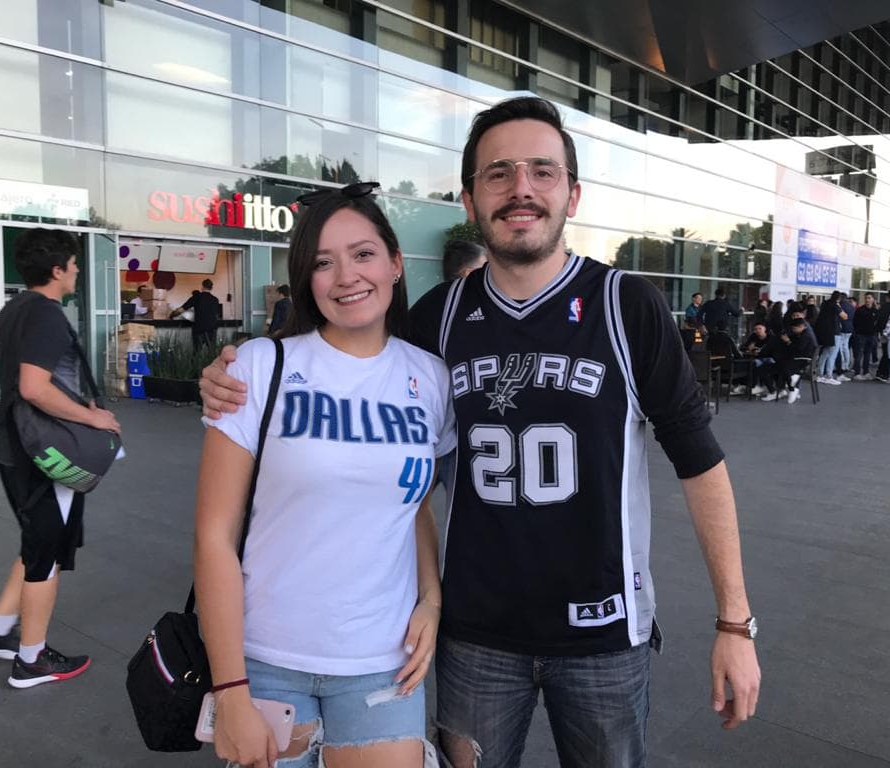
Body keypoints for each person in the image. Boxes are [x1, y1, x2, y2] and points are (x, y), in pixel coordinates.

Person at [202, 96, 760, 768]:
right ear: (469, 198)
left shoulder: (625, 305)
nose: (520, 188)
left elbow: (700, 461)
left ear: (573, 193)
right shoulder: (438, 319)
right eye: (498, 174)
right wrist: (241, 368)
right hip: (475, 637)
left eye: (541, 172)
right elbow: (352, 362)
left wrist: (735, 621)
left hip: (604, 633)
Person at [195, 183, 453, 768]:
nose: (346, 277)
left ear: (394, 263)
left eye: (362, 254)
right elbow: (213, 536)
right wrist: (230, 689)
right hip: (264, 658)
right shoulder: (261, 367)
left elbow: (411, 505)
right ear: (305, 279)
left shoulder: (431, 379)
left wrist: (432, 599)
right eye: (322, 262)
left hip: (382, 658)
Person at [0, 228, 120, 688]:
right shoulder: (47, 316)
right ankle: (31, 660)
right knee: (46, 557)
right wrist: (92, 420)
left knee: (36, 541)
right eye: (73, 265)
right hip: (44, 456)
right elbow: (34, 387)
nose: (76, 272)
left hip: (14, 449)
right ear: (57, 271)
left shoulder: (11, 310)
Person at [171, 278, 221, 347]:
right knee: (212, 353)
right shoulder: (215, 300)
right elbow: (216, 314)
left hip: (199, 329)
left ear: (202, 287)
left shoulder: (196, 297)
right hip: (212, 329)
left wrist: (172, 315)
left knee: (197, 353)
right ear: (211, 288)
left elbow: (181, 310)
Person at [851, 293, 879, 380]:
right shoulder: (860, 310)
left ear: (873, 299)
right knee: (858, 355)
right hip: (860, 335)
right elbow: (855, 322)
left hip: (871, 336)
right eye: (866, 298)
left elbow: (877, 323)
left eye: (869, 298)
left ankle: (866, 372)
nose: (867, 300)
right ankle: (857, 373)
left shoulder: (875, 311)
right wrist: (857, 333)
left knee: (867, 355)